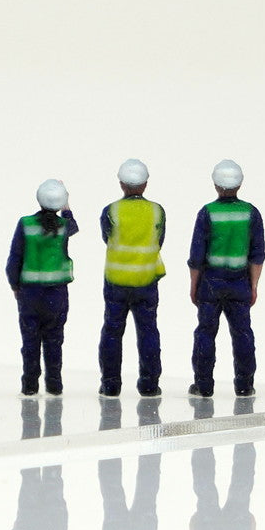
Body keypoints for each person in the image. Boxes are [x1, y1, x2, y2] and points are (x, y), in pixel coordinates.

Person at [187, 159, 265, 398]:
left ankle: (203, 386)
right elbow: (257, 255)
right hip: (240, 282)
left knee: (205, 333)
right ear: (239, 184)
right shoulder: (251, 213)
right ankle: (244, 386)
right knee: (243, 334)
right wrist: (253, 285)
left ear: (215, 184)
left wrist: (194, 285)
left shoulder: (207, 212)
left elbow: (196, 256)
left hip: (210, 282)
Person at [98, 159, 166, 397]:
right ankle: (149, 385)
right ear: (145, 184)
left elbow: (107, 238)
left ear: (121, 183)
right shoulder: (157, 210)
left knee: (112, 332)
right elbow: (159, 240)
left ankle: (110, 385)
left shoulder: (111, 210)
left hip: (116, 281)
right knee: (148, 332)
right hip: (146, 281)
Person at [5, 179, 78, 396]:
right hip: (57, 293)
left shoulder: (26, 224)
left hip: (29, 293)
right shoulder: (64, 226)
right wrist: (66, 205)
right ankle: (54, 385)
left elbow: (14, 258)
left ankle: (30, 386)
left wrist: (14, 285)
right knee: (54, 340)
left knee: (30, 341)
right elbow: (73, 225)